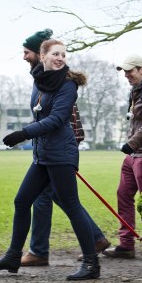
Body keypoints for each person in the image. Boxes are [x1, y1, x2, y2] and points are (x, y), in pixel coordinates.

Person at [0, 39, 100, 280]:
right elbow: (39, 111)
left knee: (70, 204)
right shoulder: (38, 81)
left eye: (63, 55)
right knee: (21, 200)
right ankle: (13, 256)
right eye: (55, 54)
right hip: (43, 156)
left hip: (61, 155)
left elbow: (57, 118)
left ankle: (91, 265)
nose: (60, 58)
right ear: (43, 56)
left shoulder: (68, 85)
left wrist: (23, 134)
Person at [20, 29, 110, 266]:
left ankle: (40, 251)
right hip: (47, 150)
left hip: (59, 150)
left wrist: (30, 134)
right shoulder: (41, 78)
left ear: (40, 54)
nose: (24, 56)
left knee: (49, 198)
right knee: (60, 197)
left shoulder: (61, 82)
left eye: (27, 52)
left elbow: (65, 117)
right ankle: (96, 239)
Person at [102, 54, 142, 259]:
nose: (127, 74)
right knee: (123, 195)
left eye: (131, 70)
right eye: (125, 71)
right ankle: (126, 244)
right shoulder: (136, 91)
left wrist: (132, 143)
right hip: (134, 155)